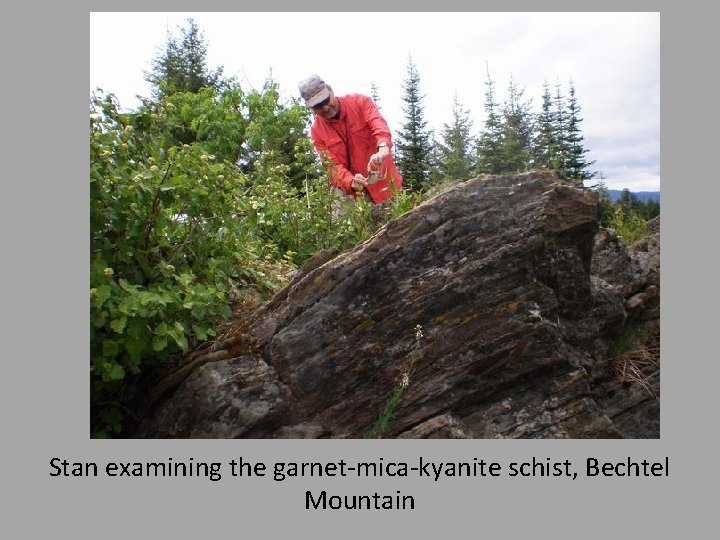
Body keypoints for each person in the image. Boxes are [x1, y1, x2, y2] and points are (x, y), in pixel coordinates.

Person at [298, 75, 402, 205]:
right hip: (353, 196)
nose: (325, 108)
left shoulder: (360, 102)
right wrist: (351, 181)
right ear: (311, 108)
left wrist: (383, 148)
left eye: (325, 101)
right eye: (318, 106)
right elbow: (332, 167)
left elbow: (377, 123)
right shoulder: (316, 132)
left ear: (331, 91)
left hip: (386, 186)